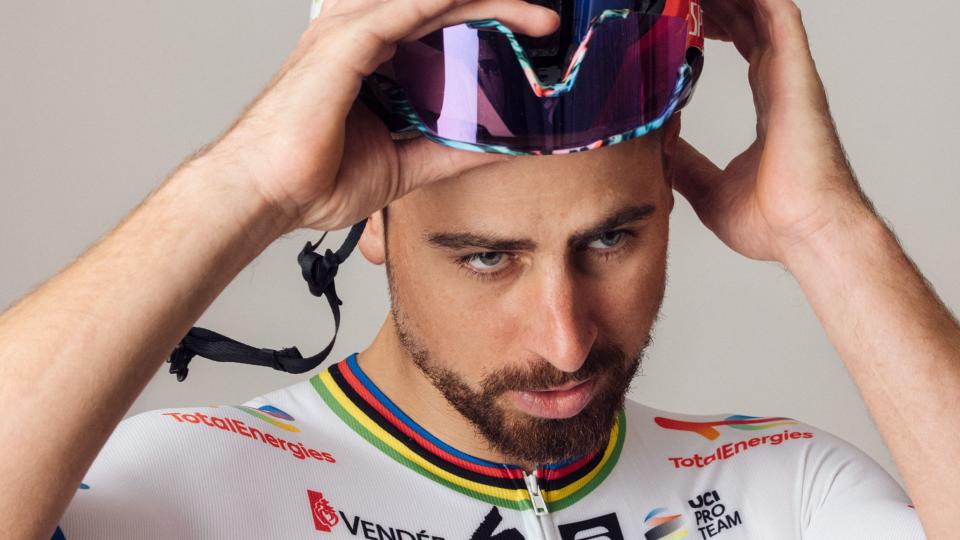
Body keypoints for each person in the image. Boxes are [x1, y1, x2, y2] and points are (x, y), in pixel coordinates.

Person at [0, 0, 956, 538]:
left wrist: (830, 232)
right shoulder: (189, 486)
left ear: (671, 193)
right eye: (488, 257)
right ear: (367, 222)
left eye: (612, 240)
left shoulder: (780, 488)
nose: (565, 338)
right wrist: (242, 187)